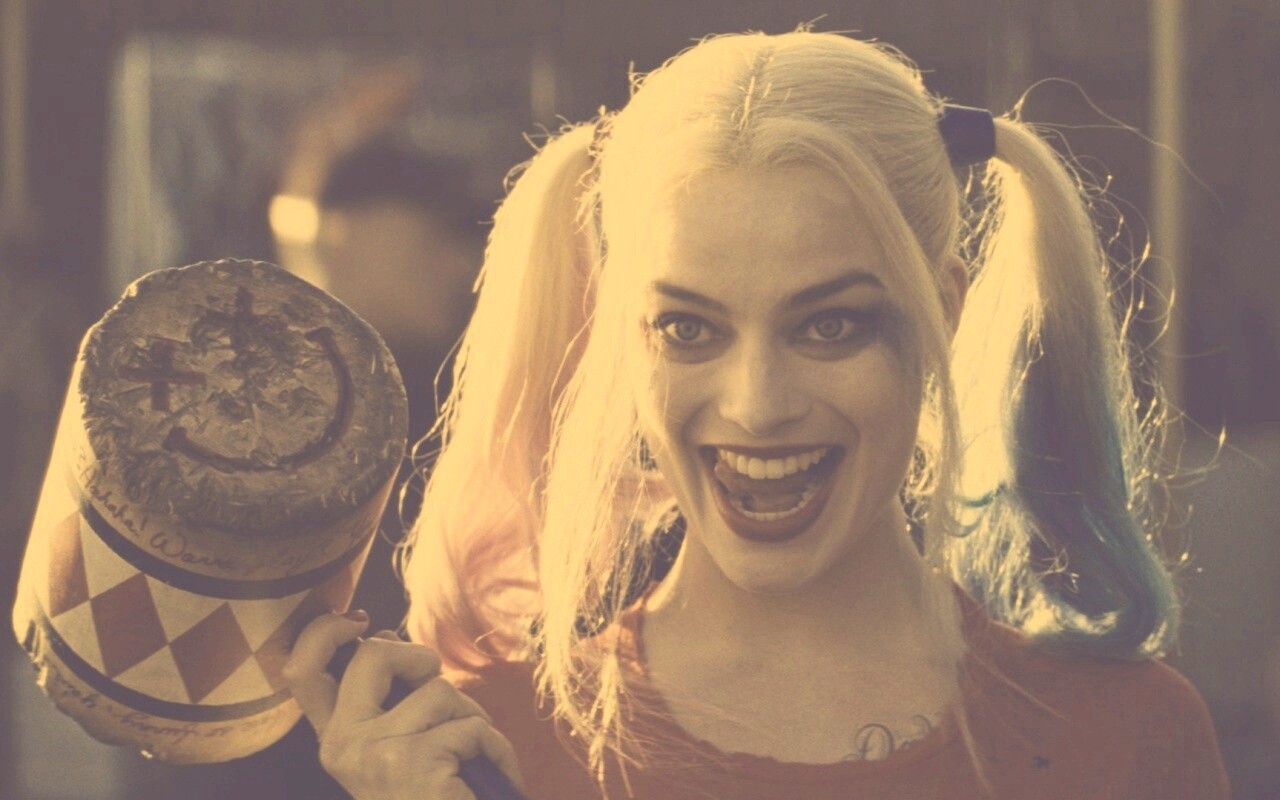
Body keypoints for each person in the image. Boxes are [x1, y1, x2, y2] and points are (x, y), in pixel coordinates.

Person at [283, 30, 1231, 799]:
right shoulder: (478, 745)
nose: (757, 406)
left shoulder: (1128, 736)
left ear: (942, 311)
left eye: (829, 325)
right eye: (688, 329)